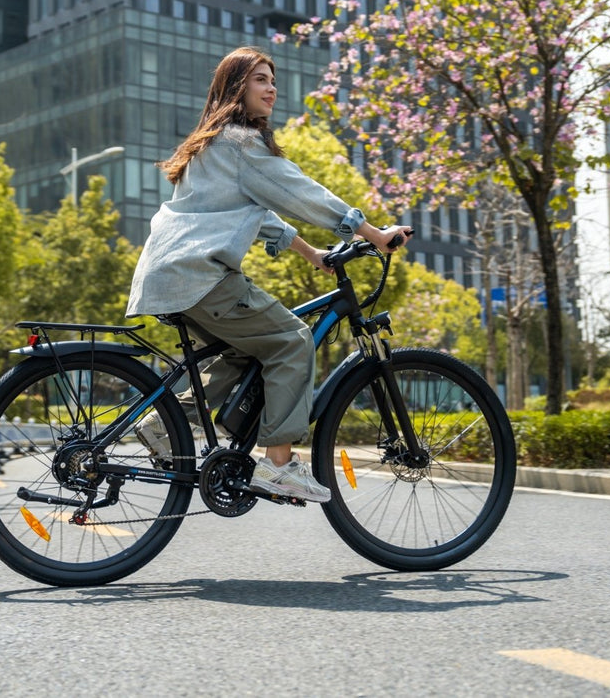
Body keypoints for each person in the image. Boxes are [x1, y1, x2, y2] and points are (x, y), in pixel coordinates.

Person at [126, 46, 412, 503]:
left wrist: (313, 254)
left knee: (246, 353)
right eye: (261, 79)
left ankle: (165, 426)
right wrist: (374, 233)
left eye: (272, 80)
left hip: (170, 275)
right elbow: (297, 191)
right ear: (236, 86)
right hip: (201, 274)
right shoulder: (239, 142)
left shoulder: (210, 143)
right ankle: (278, 465)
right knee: (293, 340)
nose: (272, 88)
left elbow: (259, 214)